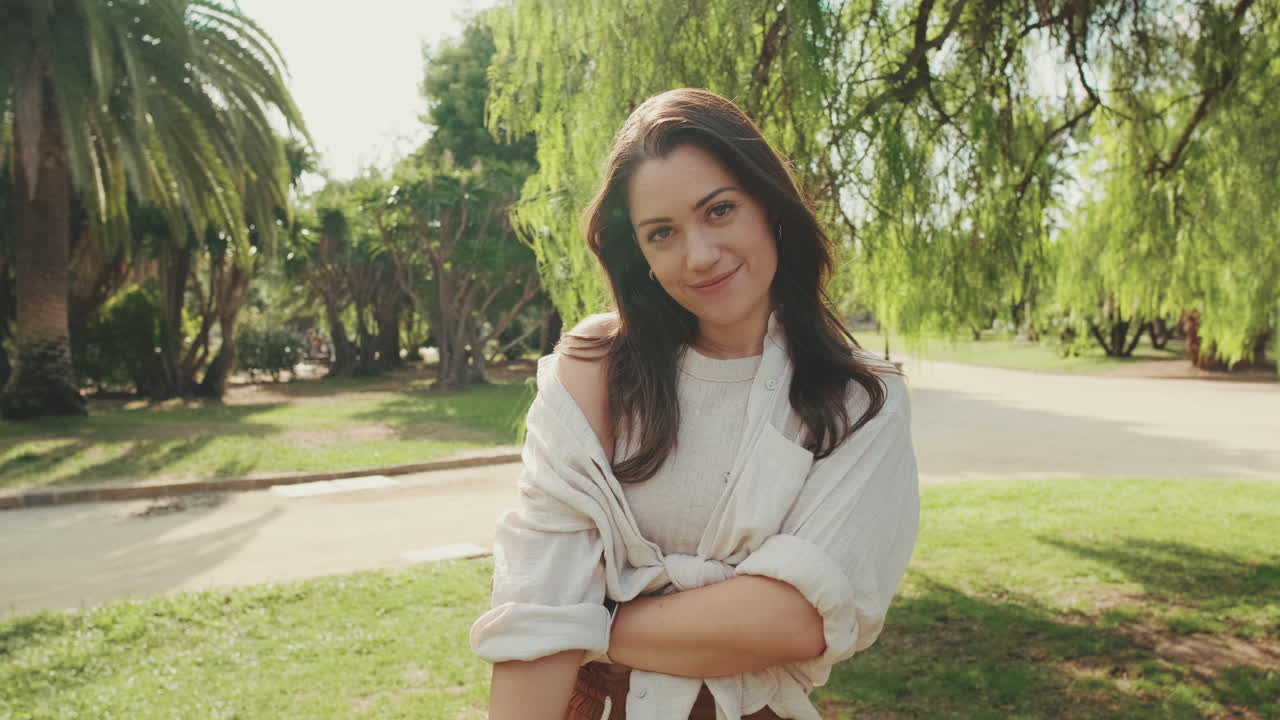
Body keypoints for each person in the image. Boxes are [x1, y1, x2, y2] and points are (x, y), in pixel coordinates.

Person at [470, 87, 920, 720]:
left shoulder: (861, 400)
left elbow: (797, 619)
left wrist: (586, 621)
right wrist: (565, 620)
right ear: (640, 255)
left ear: (768, 204)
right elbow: (539, 589)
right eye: (662, 233)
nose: (700, 256)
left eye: (720, 210)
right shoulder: (595, 371)